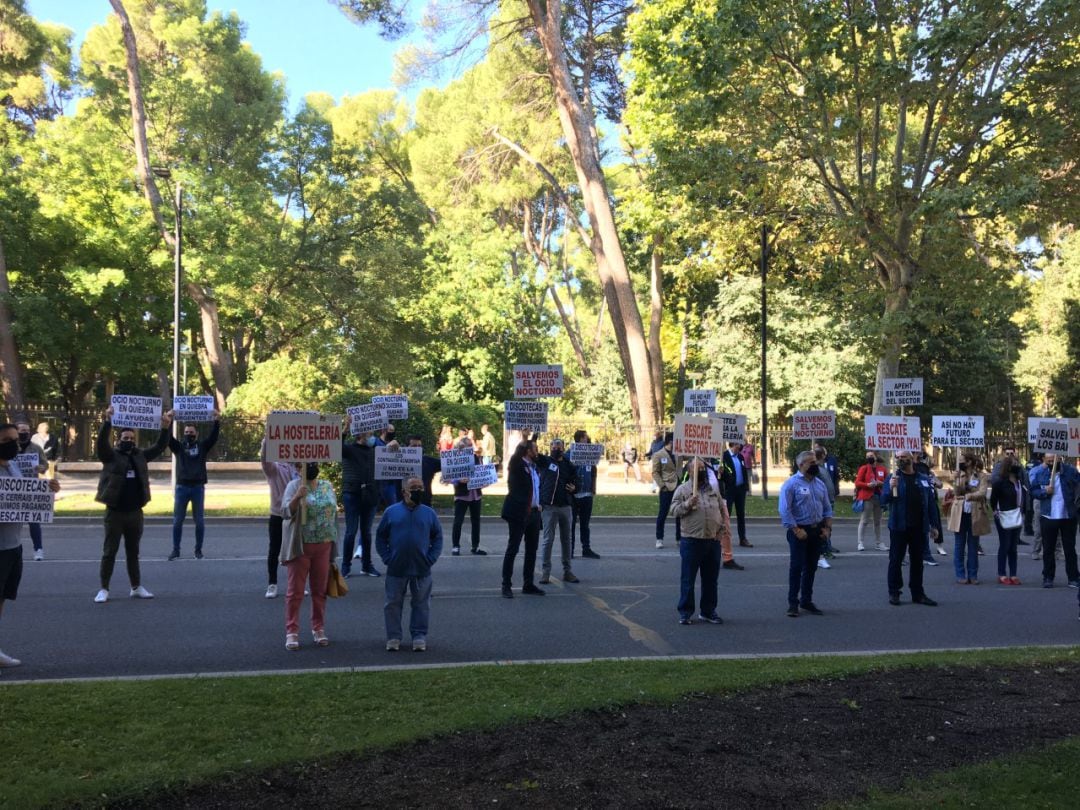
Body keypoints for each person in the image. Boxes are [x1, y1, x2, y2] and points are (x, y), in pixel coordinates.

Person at [93, 406, 172, 603]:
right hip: (115, 513)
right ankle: (104, 589)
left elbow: (160, 447)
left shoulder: (140, 455)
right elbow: (101, 444)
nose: (128, 441)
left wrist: (165, 428)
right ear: (119, 440)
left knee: (133, 552)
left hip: (135, 512)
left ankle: (136, 586)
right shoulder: (110, 456)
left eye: (131, 438)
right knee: (109, 552)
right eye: (125, 438)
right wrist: (107, 422)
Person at [0, 422, 61, 668]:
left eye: (15, 440)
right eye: (6, 441)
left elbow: (27, 494)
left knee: (3, 599)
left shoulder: (14, 465)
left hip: (13, 546)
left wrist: (48, 489)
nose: (14, 444)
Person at [376, 477, 444, 652]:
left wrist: (431, 558)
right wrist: (387, 558)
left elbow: (438, 537)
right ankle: (393, 637)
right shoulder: (391, 512)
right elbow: (380, 537)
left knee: (421, 603)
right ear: (404, 491)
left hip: (422, 568)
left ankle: (419, 635)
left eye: (421, 487)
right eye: (414, 487)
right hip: (396, 568)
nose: (418, 491)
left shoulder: (429, 513)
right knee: (392, 604)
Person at [280, 461, 338, 650]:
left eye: (313, 463)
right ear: (297, 468)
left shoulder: (327, 485)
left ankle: (318, 628)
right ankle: (292, 632)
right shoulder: (293, 486)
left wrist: (333, 548)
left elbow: (333, 517)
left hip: (323, 544)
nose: (311, 466)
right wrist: (297, 497)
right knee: (295, 592)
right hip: (301, 546)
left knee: (319, 591)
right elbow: (285, 512)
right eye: (305, 464)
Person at [880, 449, 940, 607]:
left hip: (919, 527)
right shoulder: (892, 478)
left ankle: (918, 593)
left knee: (917, 561)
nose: (901, 460)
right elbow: (883, 501)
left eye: (904, 457)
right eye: (898, 457)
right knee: (896, 559)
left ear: (912, 459)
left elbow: (931, 504)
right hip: (899, 526)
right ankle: (894, 592)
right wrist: (890, 488)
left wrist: (934, 525)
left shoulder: (923, 479)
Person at [778, 450, 832, 617]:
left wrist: (827, 528)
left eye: (815, 461)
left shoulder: (819, 484)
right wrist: (795, 529)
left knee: (811, 567)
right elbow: (784, 510)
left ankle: (806, 600)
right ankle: (792, 603)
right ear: (801, 465)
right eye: (811, 462)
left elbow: (827, 508)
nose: (815, 465)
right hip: (799, 531)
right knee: (796, 567)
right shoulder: (791, 484)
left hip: (816, 531)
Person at [671, 458, 724, 625]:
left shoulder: (713, 490)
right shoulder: (683, 489)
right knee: (688, 578)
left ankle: (708, 611)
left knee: (710, 579)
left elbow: (722, 510)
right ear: (690, 471)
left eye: (703, 468)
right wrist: (687, 504)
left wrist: (721, 530)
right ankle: (685, 612)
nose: (701, 471)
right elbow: (673, 510)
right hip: (692, 541)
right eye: (697, 468)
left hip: (712, 540)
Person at [167, 412, 221, 560]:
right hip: (182, 487)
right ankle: (176, 550)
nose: (188, 434)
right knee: (178, 521)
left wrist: (216, 421)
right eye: (186, 432)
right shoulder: (178, 447)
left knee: (199, 521)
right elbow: (168, 438)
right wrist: (169, 421)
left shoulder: (202, 446)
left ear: (196, 434)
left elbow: (213, 438)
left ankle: (198, 550)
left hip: (197, 487)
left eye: (191, 432)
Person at [500, 439, 545, 597]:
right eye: (535, 449)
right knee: (513, 548)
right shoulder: (517, 465)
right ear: (527, 451)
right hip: (519, 513)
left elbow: (536, 488)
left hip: (534, 513)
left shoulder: (534, 467)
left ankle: (528, 583)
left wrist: (538, 504)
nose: (537, 451)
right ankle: (506, 585)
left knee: (532, 550)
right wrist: (525, 438)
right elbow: (514, 459)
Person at [1029, 453, 1080, 589]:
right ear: (1045, 460)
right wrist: (1045, 491)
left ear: (1060, 458)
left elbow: (1078, 487)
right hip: (1048, 516)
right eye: (1050, 461)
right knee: (1048, 549)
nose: (1053, 463)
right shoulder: (1040, 473)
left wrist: (1076, 505)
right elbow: (1033, 491)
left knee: (1069, 549)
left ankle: (1073, 578)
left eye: (1055, 460)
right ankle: (1048, 577)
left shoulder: (1070, 471)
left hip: (1068, 516)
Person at [537, 438, 581, 584]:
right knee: (548, 540)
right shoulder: (544, 462)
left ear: (563, 448)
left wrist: (575, 488)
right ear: (549, 448)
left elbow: (577, 482)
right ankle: (545, 572)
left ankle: (567, 571)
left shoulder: (569, 465)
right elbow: (530, 452)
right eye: (553, 447)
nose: (556, 449)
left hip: (566, 507)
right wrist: (533, 437)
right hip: (549, 507)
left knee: (566, 540)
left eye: (559, 447)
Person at [260, 437, 298, 598]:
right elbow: (264, 459)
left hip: (296, 514)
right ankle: (272, 584)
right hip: (278, 514)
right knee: (274, 549)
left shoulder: (298, 467)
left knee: (296, 550)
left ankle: (297, 583)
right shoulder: (274, 467)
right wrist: (266, 440)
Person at [340, 430, 380, 578]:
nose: (372, 437)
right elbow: (337, 446)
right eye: (369, 434)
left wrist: (393, 444)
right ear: (360, 435)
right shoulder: (349, 450)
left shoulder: (373, 451)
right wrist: (345, 429)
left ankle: (367, 565)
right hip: (352, 494)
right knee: (351, 531)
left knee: (366, 532)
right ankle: (345, 566)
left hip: (369, 495)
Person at [947, 452, 990, 585]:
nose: (960, 463)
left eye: (962, 461)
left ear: (970, 462)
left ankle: (973, 575)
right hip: (960, 512)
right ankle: (960, 574)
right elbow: (956, 493)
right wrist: (956, 480)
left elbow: (982, 492)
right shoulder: (959, 475)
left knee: (973, 546)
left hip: (975, 513)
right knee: (959, 545)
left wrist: (970, 496)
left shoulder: (981, 476)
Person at [990, 455, 1027, 585]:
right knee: (1005, 545)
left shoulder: (1020, 482)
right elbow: (993, 500)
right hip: (1003, 516)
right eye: (1014, 463)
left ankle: (1013, 574)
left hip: (1016, 516)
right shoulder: (1000, 482)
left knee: (1013, 546)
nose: (1017, 465)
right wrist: (995, 512)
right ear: (1008, 467)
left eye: (1018, 463)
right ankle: (1002, 574)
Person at [14, 421, 48, 561]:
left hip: (31, 489)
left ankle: (38, 549)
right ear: (16, 431)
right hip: (13, 490)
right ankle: (13, 550)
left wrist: (41, 468)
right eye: (22, 430)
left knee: (34, 521)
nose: (25, 432)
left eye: (27, 430)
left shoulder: (36, 448)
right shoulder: (9, 447)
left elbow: (45, 464)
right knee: (12, 522)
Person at [450, 437, 485, 556]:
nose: (470, 448)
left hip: (475, 494)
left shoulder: (476, 457)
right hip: (462, 495)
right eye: (468, 446)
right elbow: (450, 476)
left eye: (471, 446)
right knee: (458, 521)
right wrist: (459, 480)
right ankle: (455, 546)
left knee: (476, 522)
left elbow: (481, 472)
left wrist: (484, 480)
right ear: (461, 447)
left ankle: (475, 546)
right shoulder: (455, 458)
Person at [571, 429, 599, 559]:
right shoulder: (570, 454)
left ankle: (586, 548)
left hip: (587, 494)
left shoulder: (591, 453)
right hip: (573, 495)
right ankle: (569, 550)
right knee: (570, 524)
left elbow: (593, 471)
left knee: (585, 524)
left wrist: (593, 487)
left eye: (587, 438)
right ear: (580, 439)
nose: (587, 440)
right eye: (585, 438)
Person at [721, 442, 753, 548]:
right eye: (739, 445)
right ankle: (723, 538)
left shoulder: (740, 456)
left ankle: (742, 538)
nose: (740, 447)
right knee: (726, 515)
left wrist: (746, 487)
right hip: (729, 490)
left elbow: (744, 472)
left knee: (741, 514)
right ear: (733, 445)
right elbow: (722, 474)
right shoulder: (724, 456)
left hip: (740, 490)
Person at [854, 452, 888, 552]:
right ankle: (860, 542)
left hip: (879, 497)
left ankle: (879, 543)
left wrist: (881, 483)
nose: (870, 458)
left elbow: (887, 482)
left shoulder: (882, 469)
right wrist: (867, 485)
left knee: (878, 521)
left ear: (876, 457)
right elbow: (857, 482)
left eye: (871, 456)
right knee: (864, 520)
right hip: (867, 497)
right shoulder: (864, 468)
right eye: (867, 457)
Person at [651, 432, 678, 549]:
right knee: (663, 514)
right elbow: (655, 472)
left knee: (679, 514)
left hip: (678, 487)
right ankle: (659, 538)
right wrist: (662, 486)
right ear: (671, 441)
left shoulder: (678, 453)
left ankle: (679, 538)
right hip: (666, 488)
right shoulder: (658, 455)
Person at [409, 434, 441, 507]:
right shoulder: (399, 462)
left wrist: (460, 452)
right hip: (406, 503)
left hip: (425, 503)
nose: (417, 448)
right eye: (414, 446)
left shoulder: (429, 461)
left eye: (419, 446)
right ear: (407, 447)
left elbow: (448, 463)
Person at [374, 423, 400, 510]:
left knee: (393, 508)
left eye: (393, 431)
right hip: (376, 482)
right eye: (390, 431)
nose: (392, 433)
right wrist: (386, 448)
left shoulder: (395, 444)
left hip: (390, 482)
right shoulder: (375, 442)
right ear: (383, 431)